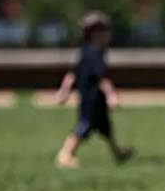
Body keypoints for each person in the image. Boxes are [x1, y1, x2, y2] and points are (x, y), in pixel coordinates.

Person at [55, 11, 132, 169]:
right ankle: (65, 154)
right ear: (96, 33)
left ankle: (118, 154)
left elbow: (72, 74)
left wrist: (64, 91)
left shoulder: (85, 51)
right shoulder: (96, 53)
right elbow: (102, 77)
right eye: (105, 31)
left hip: (93, 99)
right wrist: (112, 95)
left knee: (106, 129)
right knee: (83, 127)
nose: (108, 35)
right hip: (92, 99)